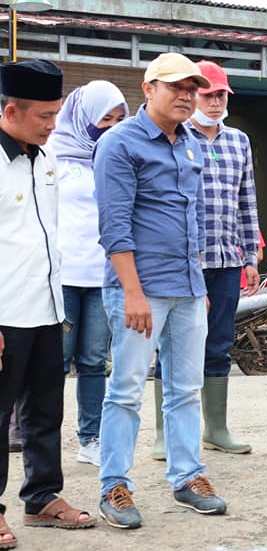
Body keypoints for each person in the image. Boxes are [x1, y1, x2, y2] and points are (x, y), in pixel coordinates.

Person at [95, 53, 227, 529]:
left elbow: (189, 218)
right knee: (127, 390)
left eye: (192, 88)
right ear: (148, 88)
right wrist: (132, 293)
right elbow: (114, 226)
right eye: (176, 87)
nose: (187, 95)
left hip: (188, 288)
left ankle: (188, 476)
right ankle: (115, 485)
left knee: (186, 390)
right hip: (141, 290)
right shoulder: (119, 144)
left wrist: (197, 284)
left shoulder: (191, 142)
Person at [1, 58, 98, 549]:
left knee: (45, 411)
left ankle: (41, 498)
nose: (53, 125)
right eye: (44, 116)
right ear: (12, 109)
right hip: (4, 313)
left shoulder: (49, 159)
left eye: (57, 114)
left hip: (47, 310)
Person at [151, 60, 260, 459]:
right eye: (208, 94)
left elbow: (246, 199)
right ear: (193, 95)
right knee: (173, 346)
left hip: (227, 260)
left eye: (221, 96)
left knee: (218, 344)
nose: (214, 103)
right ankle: (166, 434)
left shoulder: (239, 142)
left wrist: (250, 253)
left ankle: (216, 428)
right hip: (182, 262)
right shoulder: (177, 139)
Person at [47, 80, 129, 468]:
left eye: (118, 119)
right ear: (82, 118)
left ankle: (90, 438)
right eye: (103, 119)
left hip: (103, 274)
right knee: (56, 361)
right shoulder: (53, 156)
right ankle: (41, 438)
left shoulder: (118, 157)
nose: (109, 128)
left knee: (95, 361)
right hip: (62, 274)